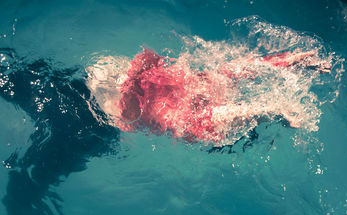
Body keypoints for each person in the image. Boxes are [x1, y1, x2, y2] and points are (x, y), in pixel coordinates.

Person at [87, 48, 331, 145]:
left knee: (199, 122)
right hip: (182, 84)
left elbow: (125, 124)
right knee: (225, 73)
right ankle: (290, 62)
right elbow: (144, 61)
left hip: (174, 113)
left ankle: (271, 111)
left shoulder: (124, 116)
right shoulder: (142, 74)